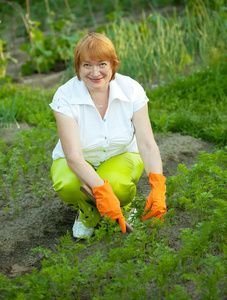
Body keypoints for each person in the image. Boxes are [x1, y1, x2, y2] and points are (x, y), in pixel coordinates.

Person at [49, 32, 167, 238]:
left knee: (118, 185)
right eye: (87, 65)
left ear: (113, 65)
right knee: (68, 185)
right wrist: (102, 192)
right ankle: (88, 213)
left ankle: (122, 205)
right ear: (77, 68)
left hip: (119, 156)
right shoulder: (65, 95)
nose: (95, 72)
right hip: (79, 160)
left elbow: (147, 144)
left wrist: (158, 185)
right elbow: (74, 157)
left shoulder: (131, 90)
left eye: (102, 64)